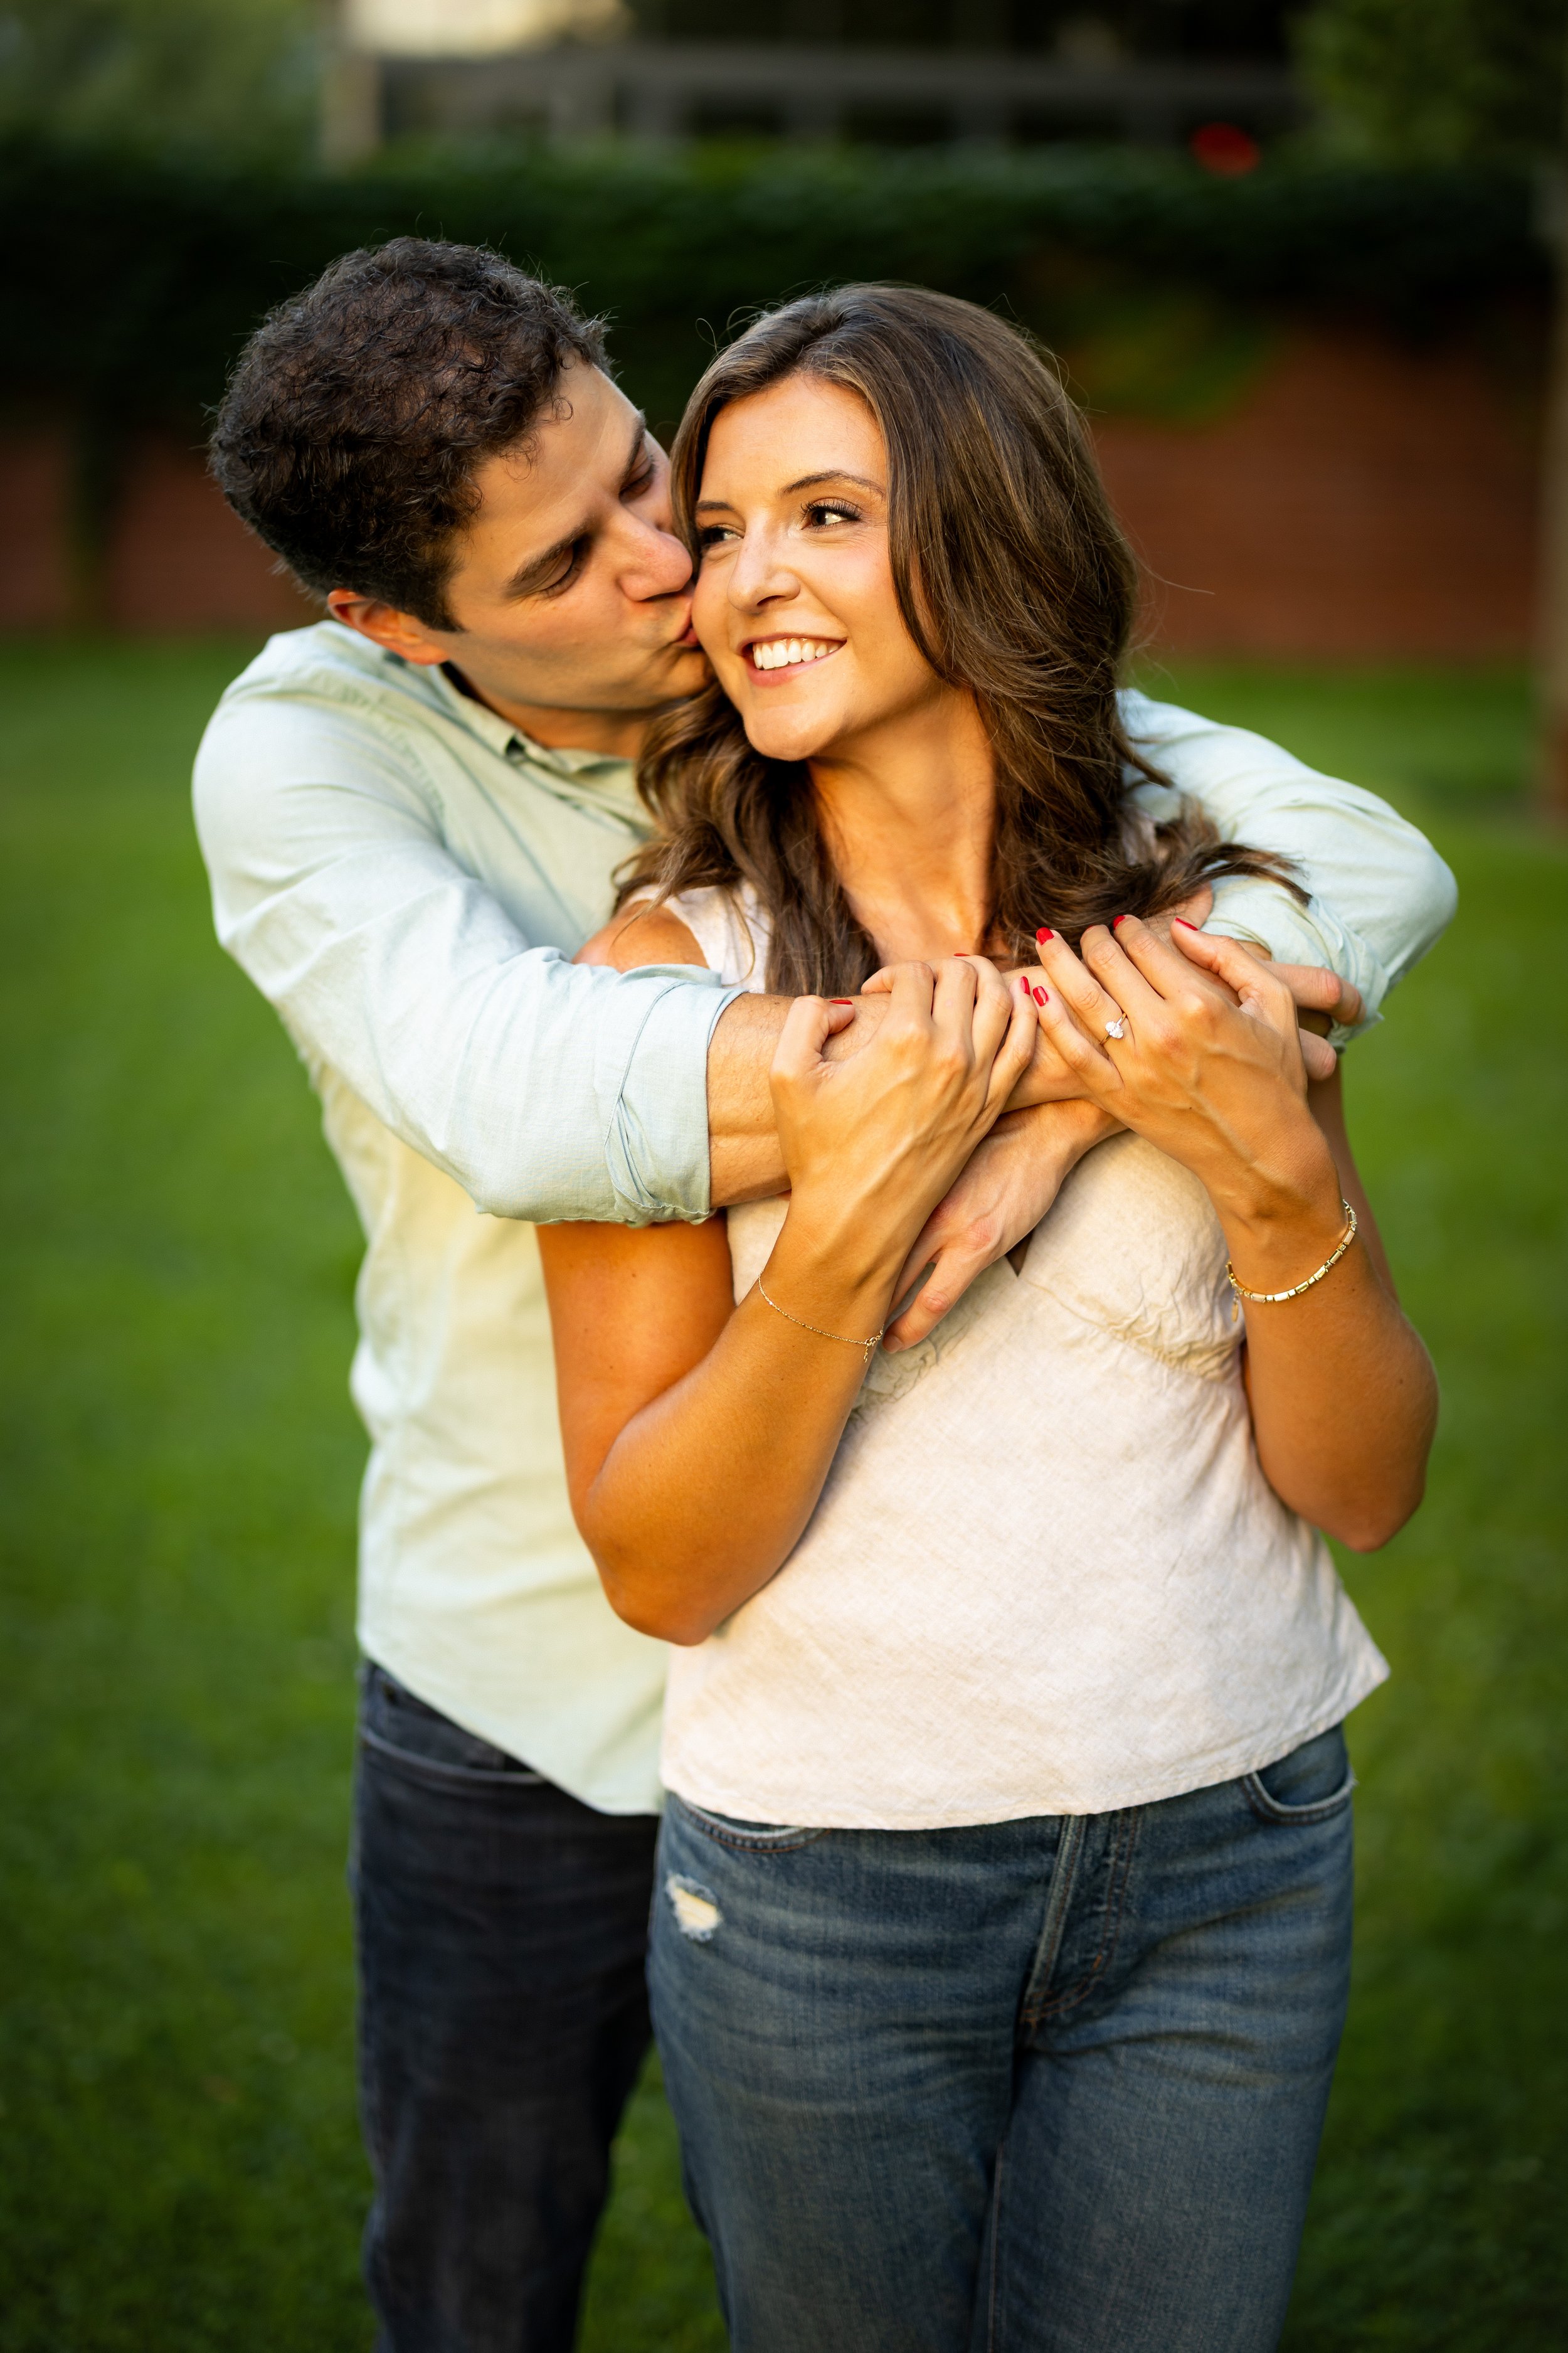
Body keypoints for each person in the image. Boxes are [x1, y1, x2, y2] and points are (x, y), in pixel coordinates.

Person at [193, 240, 1454, 2352]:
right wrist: (1071, 1052)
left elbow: (1359, 855)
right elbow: (528, 1101)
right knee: (479, 2273)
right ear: (401, 629)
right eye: (574, 561)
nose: (673, 575)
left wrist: (1108, 1084)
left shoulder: (849, 660)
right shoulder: (314, 759)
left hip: (980, 1718)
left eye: (643, 482)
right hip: (533, 1662)